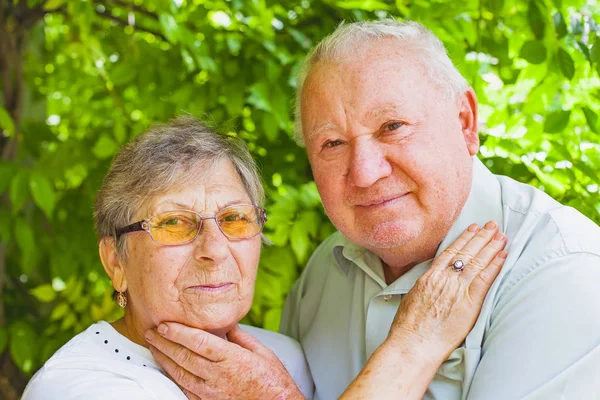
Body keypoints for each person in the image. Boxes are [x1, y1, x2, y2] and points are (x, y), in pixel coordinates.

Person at [146, 20, 600, 400]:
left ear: (465, 122)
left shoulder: (561, 271)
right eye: (332, 143)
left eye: (392, 127)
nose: (364, 172)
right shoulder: (325, 271)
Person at [22, 117, 314, 399]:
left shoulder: (286, 361)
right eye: (173, 223)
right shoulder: (71, 386)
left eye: (234, 218)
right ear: (115, 262)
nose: (214, 250)